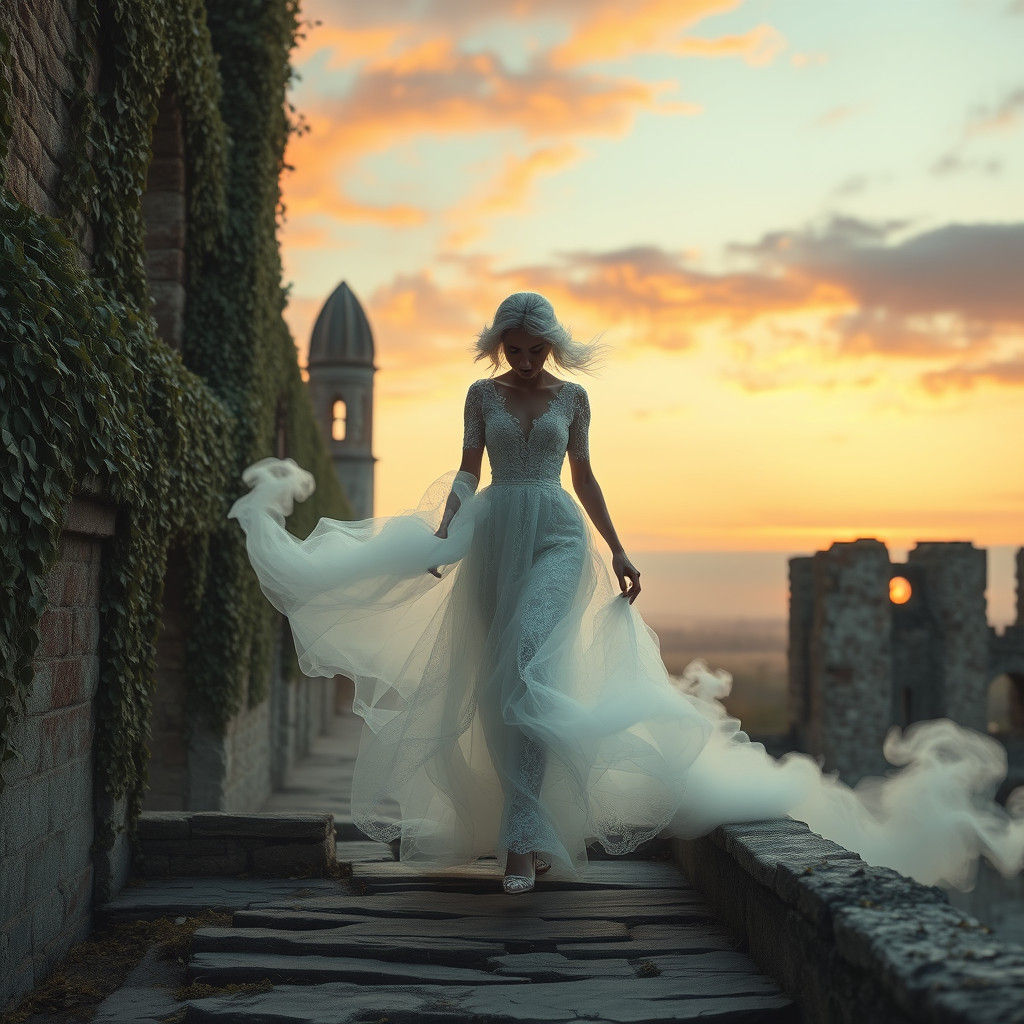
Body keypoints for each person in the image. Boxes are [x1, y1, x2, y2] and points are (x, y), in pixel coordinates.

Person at [228, 291, 1024, 896]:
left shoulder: (574, 399)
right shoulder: (482, 397)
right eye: (518, 345)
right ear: (501, 343)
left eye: (541, 346)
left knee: (532, 666)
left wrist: (619, 546)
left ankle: (521, 840)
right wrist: (448, 531)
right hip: (497, 536)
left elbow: (586, 476)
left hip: (560, 539)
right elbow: (469, 470)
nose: (531, 357)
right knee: (498, 688)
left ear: (554, 345)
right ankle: (524, 823)